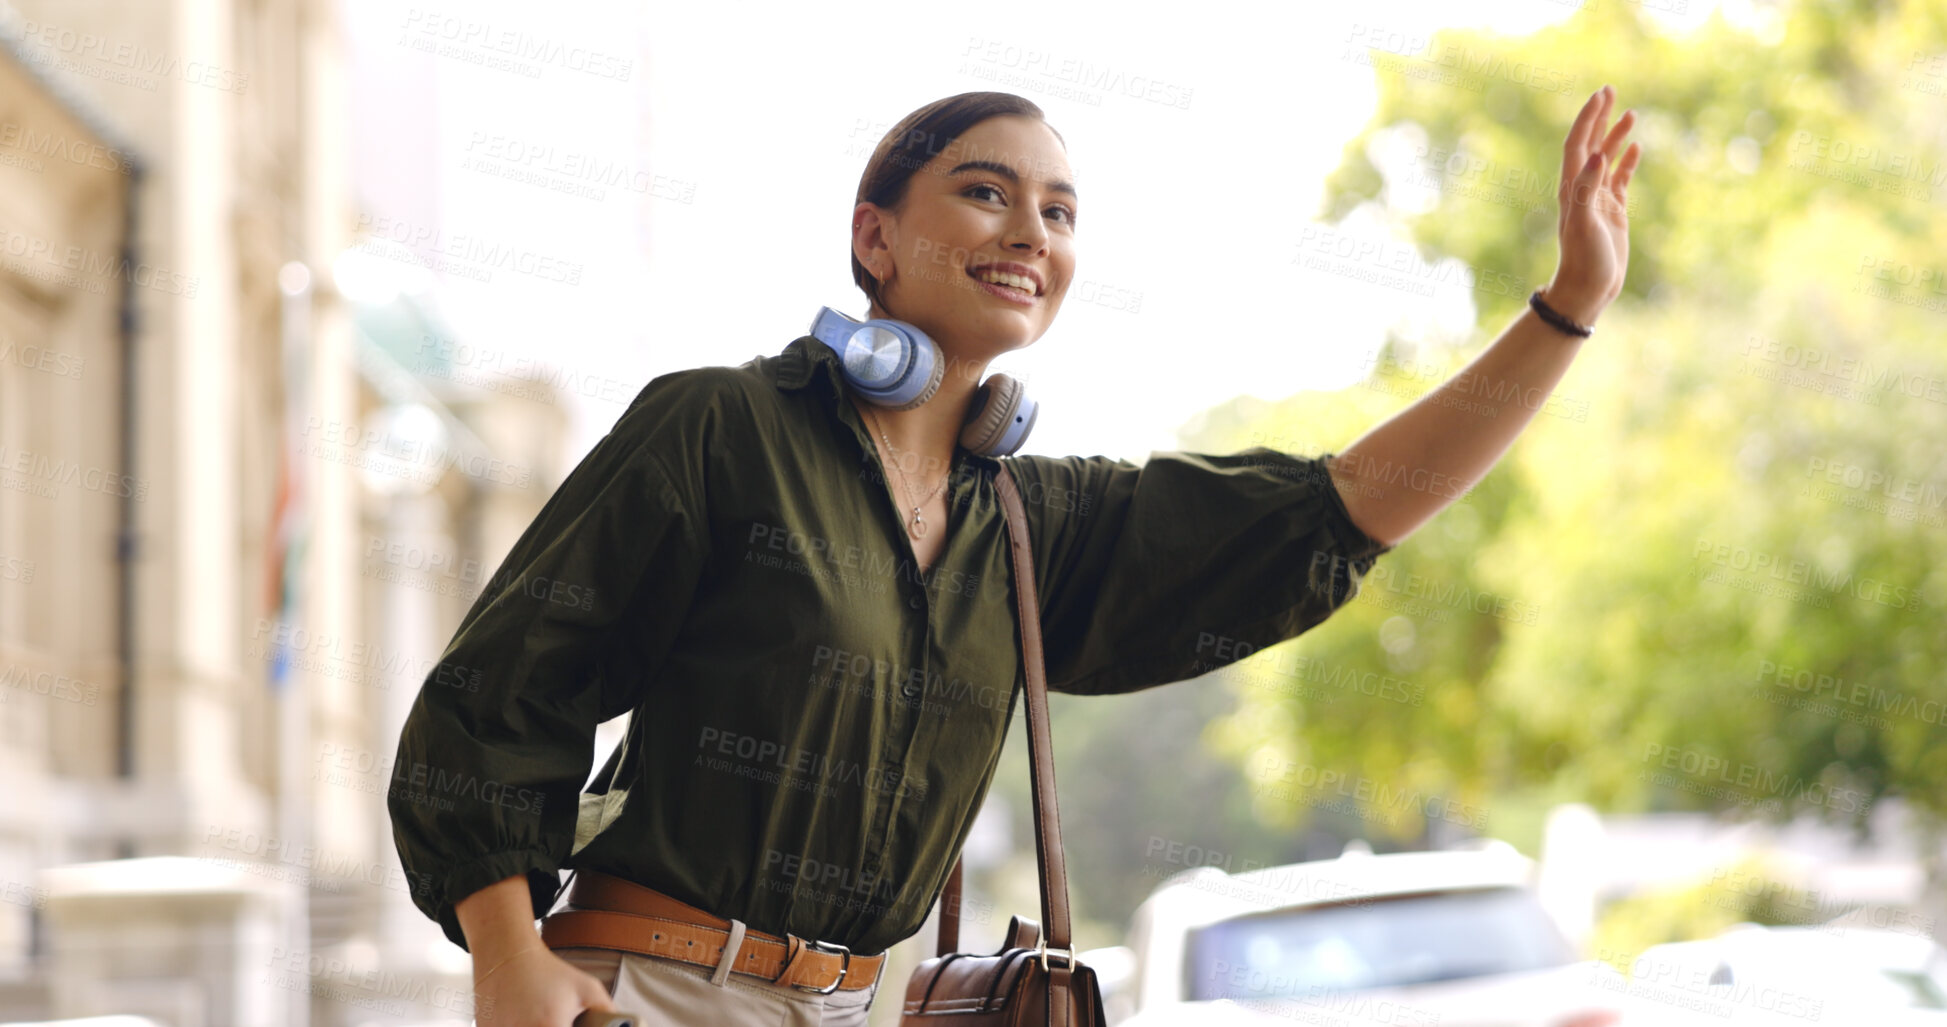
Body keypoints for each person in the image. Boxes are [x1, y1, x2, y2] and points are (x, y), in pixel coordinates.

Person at [386, 87, 1640, 1027]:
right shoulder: (719, 428)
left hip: (846, 1007)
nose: (1030, 229)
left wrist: (1568, 309)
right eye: (987, 192)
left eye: (1061, 212)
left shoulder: (1033, 527)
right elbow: (500, 691)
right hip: (644, 988)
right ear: (875, 240)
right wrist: (508, 948)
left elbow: (1334, 511)